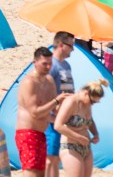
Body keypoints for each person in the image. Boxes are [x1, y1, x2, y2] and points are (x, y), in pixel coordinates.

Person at [16, 47, 59, 177]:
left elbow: (54, 109)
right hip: (27, 133)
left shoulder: (49, 81)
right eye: (44, 64)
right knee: (31, 173)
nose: (48, 67)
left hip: (41, 134)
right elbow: (34, 112)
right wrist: (56, 101)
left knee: (41, 174)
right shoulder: (29, 81)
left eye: (50, 63)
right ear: (35, 62)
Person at [54, 80, 105, 177]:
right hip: (70, 147)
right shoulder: (71, 102)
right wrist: (79, 138)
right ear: (86, 93)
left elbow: (90, 121)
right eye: (92, 101)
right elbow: (58, 125)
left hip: (86, 148)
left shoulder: (86, 104)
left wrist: (96, 134)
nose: (92, 104)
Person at [45, 32, 76, 177]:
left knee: (56, 158)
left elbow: (68, 90)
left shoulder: (66, 65)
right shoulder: (51, 65)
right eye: (71, 45)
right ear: (61, 45)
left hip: (62, 119)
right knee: (49, 159)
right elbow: (42, 92)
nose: (73, 49)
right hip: (51, 120)